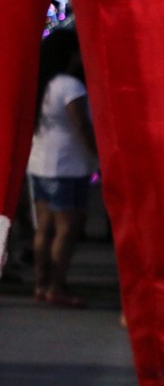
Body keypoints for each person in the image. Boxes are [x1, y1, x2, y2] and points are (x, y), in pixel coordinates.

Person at [27, 29, 97, 308]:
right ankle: (56, 286)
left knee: (44, 227)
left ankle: (41, 283)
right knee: (66, 229)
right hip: (68, 165)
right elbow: (81, 125)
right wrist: (97, 155)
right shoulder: (70, 86)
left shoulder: (41, 82)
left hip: (40, 162)